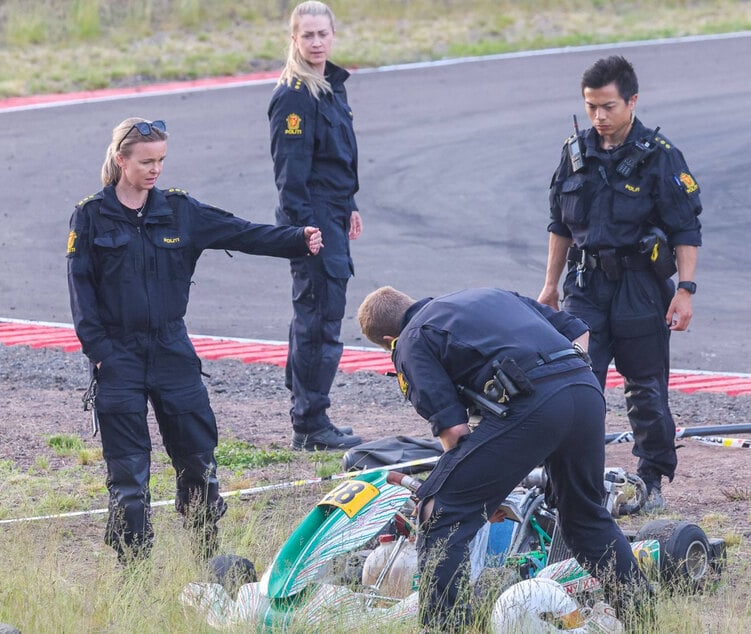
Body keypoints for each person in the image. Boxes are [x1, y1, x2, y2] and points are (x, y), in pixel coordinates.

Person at [66, 117, 325, 563]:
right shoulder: (91, 215)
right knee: (128, 478)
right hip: (118, 356)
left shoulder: (180, 211)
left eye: (161, 161)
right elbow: (80, 293)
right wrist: (102, 354)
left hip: (172, 352)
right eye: (146, 161)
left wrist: (296, 240)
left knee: (199, 465)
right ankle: (134, 575)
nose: (155, 170)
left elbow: (240, 232)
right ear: (121, 159)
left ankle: (208, 558)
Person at [357, 285, 651, 630]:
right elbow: (579, 329)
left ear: (389, 338)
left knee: (438, 510)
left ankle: (442, 626)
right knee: (584, 519)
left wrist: (482, 493)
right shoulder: (488, 295)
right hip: (585, 390)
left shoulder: (411, 340)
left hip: (535, 404)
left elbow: (453, 431)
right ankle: (642, 618)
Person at [537, 55, 703, 512]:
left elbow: (686, 229)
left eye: (608, 106)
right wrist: (550, 287)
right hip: (585, 287)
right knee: (574, 382)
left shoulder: (660, 156)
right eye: (591, 106)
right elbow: (560, 226)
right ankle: (570, 483)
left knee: (645, 388)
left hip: (640, 288)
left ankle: (651, 479)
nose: (599, 116)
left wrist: (685, 290)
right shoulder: (576, 153)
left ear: (632, 101)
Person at [268, 1, 363, 451]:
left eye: (323, 34)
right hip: (313, 220)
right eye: (307, 35)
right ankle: (310, 424)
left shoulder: (330, 87)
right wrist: (306, 230)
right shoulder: (294, 95)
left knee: (317, 316)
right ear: (294, 39)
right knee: (318, 321)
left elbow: (334, 160)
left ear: (333, 35)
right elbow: (291, 175)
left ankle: (310, 414)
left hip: (333, 212)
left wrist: (352, 205)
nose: (317, 42)